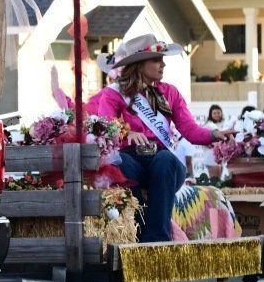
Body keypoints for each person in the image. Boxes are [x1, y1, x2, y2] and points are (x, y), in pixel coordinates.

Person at [86, 34, 218, 244]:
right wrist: (125, 133)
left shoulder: (170, 92)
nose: (162, 64)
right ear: (139, 64)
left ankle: (156, 240)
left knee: (164, 161)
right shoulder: (113, 94)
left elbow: (190, 130)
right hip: (132, 160)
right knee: (119, 164)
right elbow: (104, 125)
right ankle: (137, 230)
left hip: (163, 161)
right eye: (156, 59)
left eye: (162, 59)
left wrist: (214, 134)